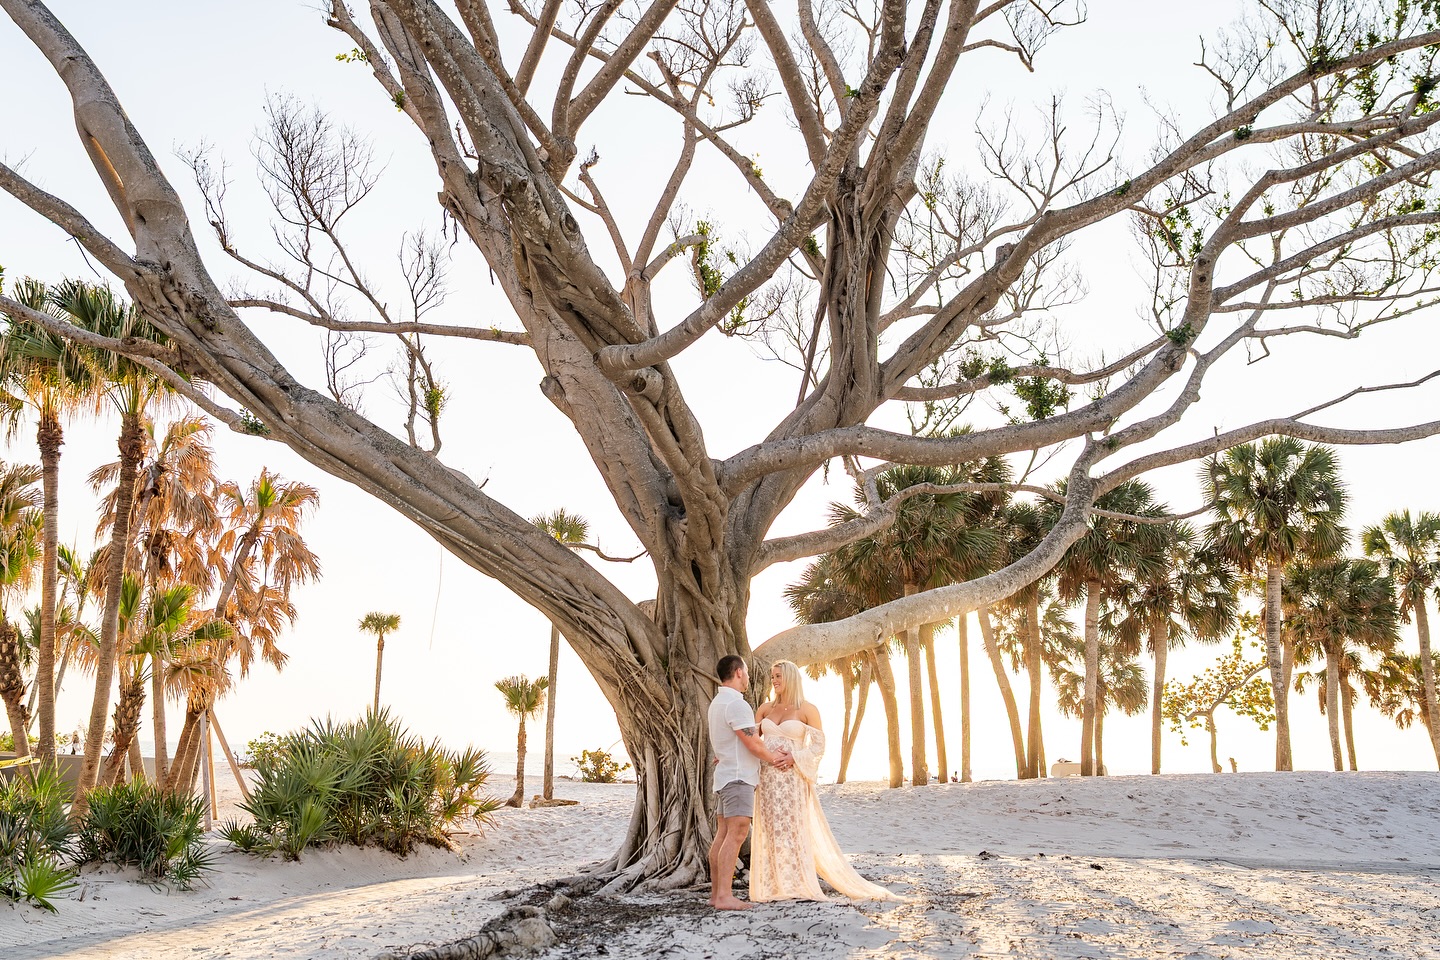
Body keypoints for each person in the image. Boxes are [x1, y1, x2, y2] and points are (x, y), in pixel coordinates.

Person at [750, 659, 897, 902]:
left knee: (792, 829)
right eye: (773, 677)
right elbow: (753, 742)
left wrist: (795, 757)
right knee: (769, 829)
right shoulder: (764, 709)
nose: (774, 681)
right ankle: (771, 885)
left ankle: (796, 883)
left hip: (792, 780)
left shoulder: (808, 709)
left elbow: (819, 746)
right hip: (767, 779)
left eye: (778, 676)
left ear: (791, 678)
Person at [708, 654, 793, 911]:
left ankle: (716, 894)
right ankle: (724, 896)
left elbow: (736, 738)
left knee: (723, 834)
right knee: (737, 833)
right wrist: (775, 758)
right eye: (745, 672)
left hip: (726, 775)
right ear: (738, 673)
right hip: (737, 778)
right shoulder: (736, 704)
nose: (747, 677)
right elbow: (753, 742)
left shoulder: (718, 702)